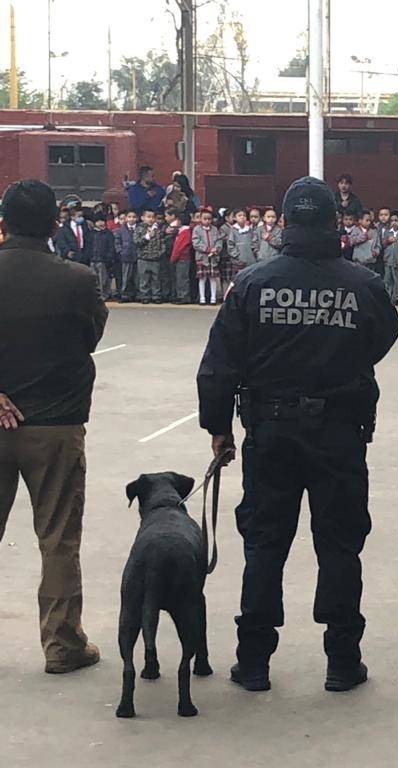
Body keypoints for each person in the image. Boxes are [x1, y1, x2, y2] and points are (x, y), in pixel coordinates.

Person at [196, 176, 398, 693]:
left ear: (284, 222)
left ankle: (255, 661)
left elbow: (218, 368)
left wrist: (219, 430)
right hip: (339, 431)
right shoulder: (362, 284)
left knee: (265, 544)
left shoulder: (251, 284)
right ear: (335, 222)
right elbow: (385, 335)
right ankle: (341, 660)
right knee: (339, 545)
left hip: (272, 429)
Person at [0, 179, 108, 674]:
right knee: (59, 539)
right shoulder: (76, 280)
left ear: (3, 222)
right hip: (56, 423)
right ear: (53, 224)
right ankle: (62, 645)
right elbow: (89, 337)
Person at [192, 207, 226, 305]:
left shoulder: (215, 229)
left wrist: (216, 249)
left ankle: (213, 298)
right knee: (202, 278)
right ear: (200, 219)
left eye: (209, 219)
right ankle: (202, 298)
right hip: (202, 258)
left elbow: (219, 240)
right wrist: (207, 249)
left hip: (213, 258)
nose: (207, 221)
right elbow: (196, 243)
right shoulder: (197, 229)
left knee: (213, 278)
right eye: (204, 219)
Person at [134, 209, 167, 304]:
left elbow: (162, 243)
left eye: (153, 217)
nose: (151, 219)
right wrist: (147, 237)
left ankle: (156, 295)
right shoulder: (139, 229)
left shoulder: (157, 230)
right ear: (143, 218)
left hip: (155, 258)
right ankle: (144, 295)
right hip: (143, 258)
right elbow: (137, 241)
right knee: (144, 279)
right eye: (148, 217)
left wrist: (160, 253)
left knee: (156, 279)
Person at [381, 210, 398, 307]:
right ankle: (388, 298)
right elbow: (382, 245)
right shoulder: (387, 233)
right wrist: (388, 241)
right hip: (388, 260)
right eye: (392, 221)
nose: (393, 223)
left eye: (396, 220)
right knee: (388, 280)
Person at [169, 211, 195, 304]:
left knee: (182, 278)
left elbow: (179, 247)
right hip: (182, 258)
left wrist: (173, 258)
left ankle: (183, 296)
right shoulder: (184, 231)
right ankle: (181, 295)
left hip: (182, 258)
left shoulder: (185, 232)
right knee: (181, 277)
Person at [89, 214, 116, 300]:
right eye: (97, 221)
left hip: (103, 260)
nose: (100, 223)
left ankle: (103, 294)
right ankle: (95, 294)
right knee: (94, 279)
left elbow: (111, 247)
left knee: (103, 279)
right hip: (93, 259)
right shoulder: (91, 234)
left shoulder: (108, 234)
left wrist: (109, 257)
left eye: (102, 221)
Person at [114, 210, 138, 302]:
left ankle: (135, 294)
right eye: (130, 217)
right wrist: (121, 252)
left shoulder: (139, 229)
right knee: (126, 277)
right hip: (125, 256)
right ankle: (124, 294)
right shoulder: (121, 230)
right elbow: (117, 242)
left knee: (136, 277)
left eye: (134, 217)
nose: (132, 219)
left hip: (136, 256)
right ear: (126, 218)